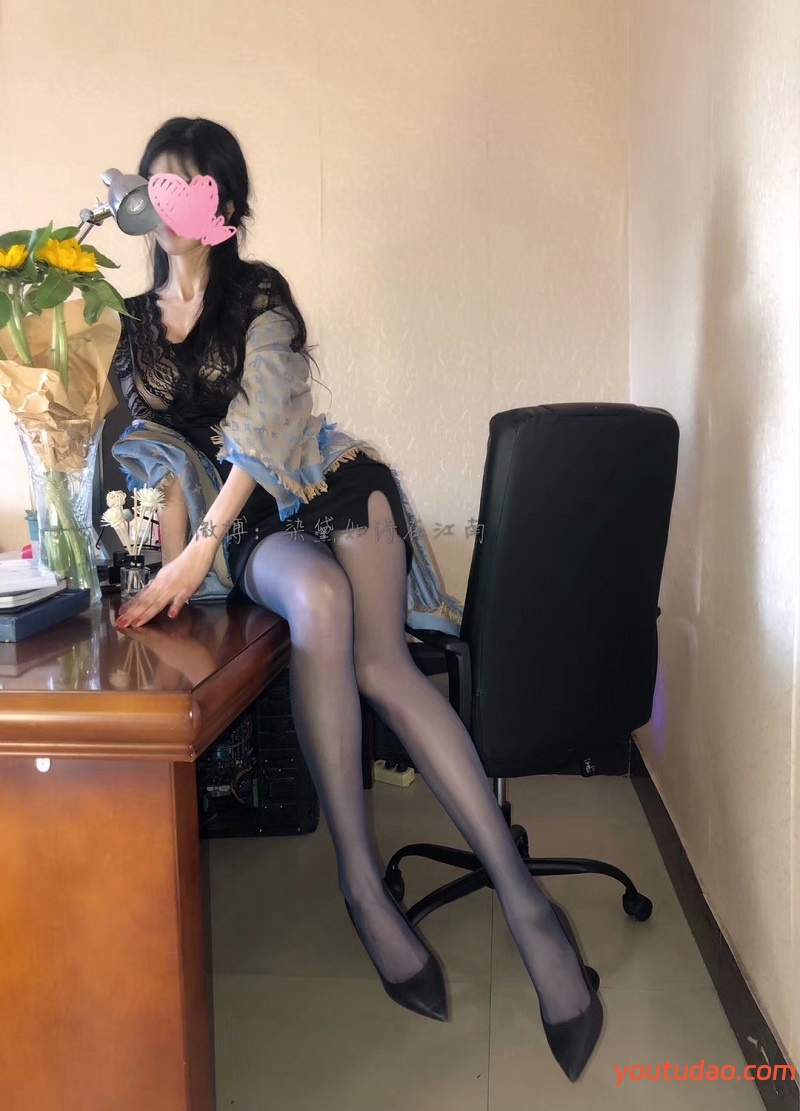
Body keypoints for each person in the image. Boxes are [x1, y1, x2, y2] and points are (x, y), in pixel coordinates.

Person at [112, 117, 602, 1081]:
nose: (168, 202)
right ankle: (360, 885)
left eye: (188, 184)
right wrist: (173, 569)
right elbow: (158, 459)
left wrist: (195, 550)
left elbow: (266, 430)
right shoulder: (131, 326)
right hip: (246, 531)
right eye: (155, 183)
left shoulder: (260, 296)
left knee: (384, 665)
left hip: (322, 481)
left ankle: (527, 904)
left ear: (223, 202)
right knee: (320, 605)